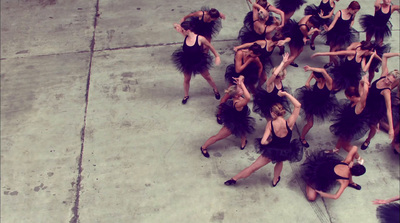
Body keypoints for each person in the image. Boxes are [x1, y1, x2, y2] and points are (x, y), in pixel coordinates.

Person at [224, 90, 303, 187]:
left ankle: (234, 179)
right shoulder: (289, 123)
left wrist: (269, 141)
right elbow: (298, 105)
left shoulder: (271, 124)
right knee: (280, 161)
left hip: (272, 150)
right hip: (285, 149)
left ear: (273, 113)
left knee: (253, 167)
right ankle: (275, 179)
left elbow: (263, 141)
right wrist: (286, 94)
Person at [200, 76, 255, 158]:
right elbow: (248, 97)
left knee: (243, 128)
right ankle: (203, 147)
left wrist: (240, 80)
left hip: (241, 119)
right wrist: (242, 84)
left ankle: (244, 141)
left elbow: (242, 77)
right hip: (233, 123)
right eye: (241, 90)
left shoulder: (238, 95)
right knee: (218, 137)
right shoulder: (238, 104)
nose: (242, 90)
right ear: (236, 95)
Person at [172, 21, 221, 104]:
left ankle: (215, 90)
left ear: (188, 30)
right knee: (186, 79)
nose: (182, 31)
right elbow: (175, 26)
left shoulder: (200, 38)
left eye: (183, 30)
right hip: (187, 61)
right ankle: (186, 95)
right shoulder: (185, 35)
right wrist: (177, 26)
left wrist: (217, 56)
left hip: (198, 61)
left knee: (207, 77)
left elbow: (210, 46)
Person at [361, 53, 400, 150]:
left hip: (376, 109)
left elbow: (388, 110)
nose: (387, 82)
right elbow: (385, 56)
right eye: (387, 79)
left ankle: (368, 140)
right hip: (368, 101)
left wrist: (391, 128)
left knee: (372, 126)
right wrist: (398, 54)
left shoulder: (386, 91)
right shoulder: (383, 75)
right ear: (387, 75)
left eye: (390, 82)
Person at [328, 75, 371, 163]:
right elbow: (361, 89)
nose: (346, 97)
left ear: (351, 97)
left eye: (347, 96)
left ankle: (359, 158)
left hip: (350, 127)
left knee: (346, 145)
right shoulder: (356, 98)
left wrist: (366, 83)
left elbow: (365, 94)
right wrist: (362, 82)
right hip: (346, 123)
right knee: (341, 136)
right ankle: (336, 150)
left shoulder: (360, 105)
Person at [301, 146, 366, 201]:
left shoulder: (346, 162)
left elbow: (355, 147)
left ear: (354, 165)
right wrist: (322, 194)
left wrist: (352, 161)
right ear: (356, 175)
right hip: (316, 176)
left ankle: (351, 183)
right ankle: (309, 182)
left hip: (321, 167)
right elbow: (335, 197)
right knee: (311, 198)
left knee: (312, 196)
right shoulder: (345, 181)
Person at [296, 65, 338, 148]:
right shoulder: (317, 78)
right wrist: (308, 82)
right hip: (311, 102)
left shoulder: (329, 82)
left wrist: (310, 68)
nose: (314, 78)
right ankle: (302, 138)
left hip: (321, 105)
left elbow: (322, 70)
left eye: (315, 77)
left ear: (321, 77)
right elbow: (313, 73)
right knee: (310, 124)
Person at [311, 42, 379, 91]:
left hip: (352, 76)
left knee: (349, 87)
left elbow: (364, 69)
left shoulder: (363, 58)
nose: (370, 54)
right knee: (333, 86)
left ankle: (337, 88)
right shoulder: (352, 53)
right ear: (367, 51)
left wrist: (372, 57)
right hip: (342, 72)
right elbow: (335, 53)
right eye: (370, 52)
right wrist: (319, 54)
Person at [322, 1, 360, 68]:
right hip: (335, 33)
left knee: (333, 50)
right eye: (355, 11)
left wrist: (351, 25)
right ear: (351, 8)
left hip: (343, 36)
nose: (355, 13)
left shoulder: (352, 14)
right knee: (331, 48)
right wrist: (328, 29)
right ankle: (330, 62)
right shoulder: (339, 13)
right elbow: (333, 24)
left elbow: (352, 20)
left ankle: (337, 66)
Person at [253, 53, 290, 119]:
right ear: (281, 77)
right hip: (269, 106)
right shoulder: (270, 83)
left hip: (278, 104)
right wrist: (282, 62)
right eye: (283, 75)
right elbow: (275, 74)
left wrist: (284, 63)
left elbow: (279, 71)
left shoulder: (279, 81)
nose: (285, 76)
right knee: (270, 121)